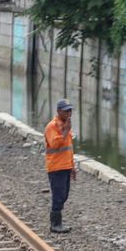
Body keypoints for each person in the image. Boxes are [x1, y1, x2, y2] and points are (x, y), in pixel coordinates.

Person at [44, 98, 76, 233]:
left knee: (64, 195)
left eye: (70, 110)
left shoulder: (65, 126)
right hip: (56, 167)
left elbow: (69, 148)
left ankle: (57, 221)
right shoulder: (52, 126)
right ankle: (55, 224)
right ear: (58, 111)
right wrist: (65, 131)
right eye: (66, 111)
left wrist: (72, 166)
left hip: (65, 166)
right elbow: (55, 144)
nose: (69, 114)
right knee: (58, 195)